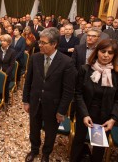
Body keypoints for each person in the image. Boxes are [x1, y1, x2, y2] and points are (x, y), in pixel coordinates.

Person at [23, 28, 76, 162]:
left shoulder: (66, 62)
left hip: (53, 105)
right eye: (39, 42)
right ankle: (34, 150)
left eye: (43, 43)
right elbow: (28, 81)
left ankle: (46, 153)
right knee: (34, 129)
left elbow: (68, 90)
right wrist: (26, 101)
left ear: (54, 44)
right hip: (35, 102)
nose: (39, 45)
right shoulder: (35, 58)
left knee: (50, 132)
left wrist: (61, 111)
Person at [70, 39, 118, 162]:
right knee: (78, 142)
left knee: (98, 148)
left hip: (105, 117)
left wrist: (113, 119)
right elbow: (78, 94)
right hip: (85, 113)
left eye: (110, 53)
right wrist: (84, 115)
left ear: (115, 55)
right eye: (103, 51)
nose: (106, 55)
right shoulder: (85, 69)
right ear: (97, 51)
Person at [0, 34, 16, 104]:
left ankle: (5, 101)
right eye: (1, 40)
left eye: (4, 41)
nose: (2, 42)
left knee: (5, 88)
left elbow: (12, 65)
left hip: (7, 74)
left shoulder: (12, 52)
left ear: (8, 42)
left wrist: (5, 74)